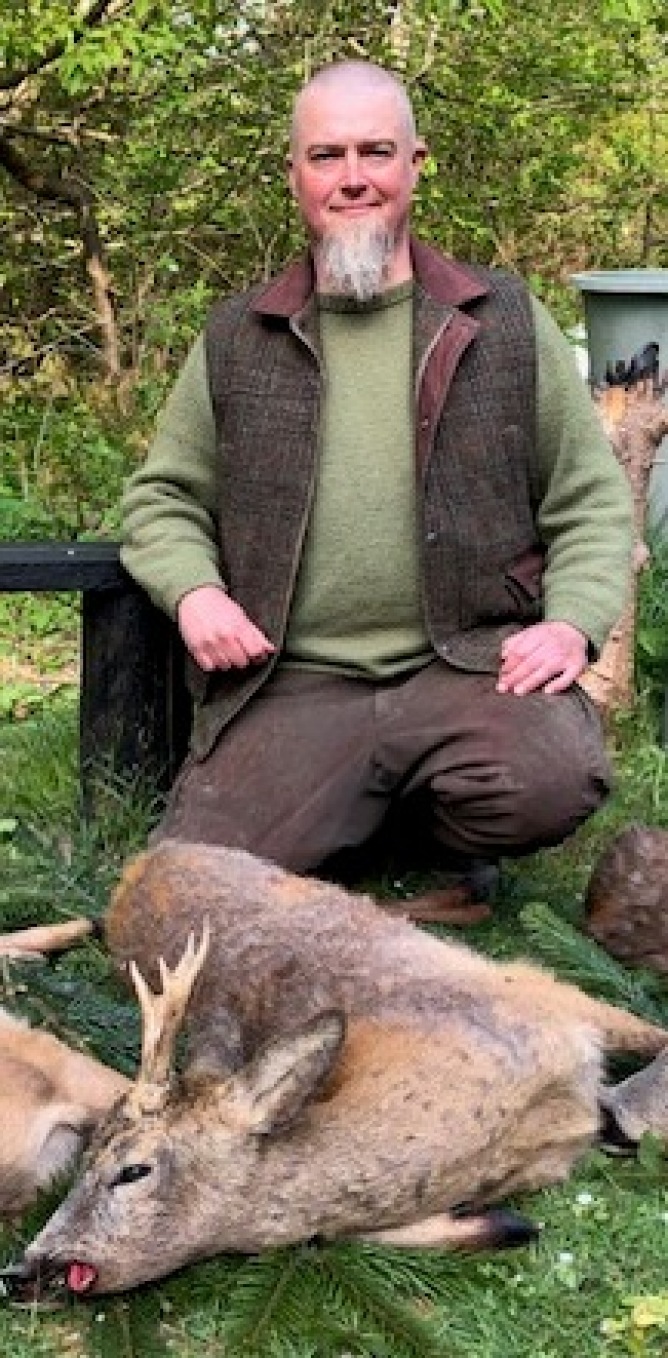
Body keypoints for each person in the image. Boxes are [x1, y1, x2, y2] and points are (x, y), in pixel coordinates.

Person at [120, 59, 633, 920]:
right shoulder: (238, 336)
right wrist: (195, 591)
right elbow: (162, 496)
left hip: (464, 665)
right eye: (327, 156)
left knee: (552, 778)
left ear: (415, 165)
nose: (352, 177)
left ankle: (434, 835)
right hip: (292, 680)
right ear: (294, 175)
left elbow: (589, 497)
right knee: (191, 891)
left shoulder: (503, 320)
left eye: (375, 152)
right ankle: (366, 824)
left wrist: (570, 622)